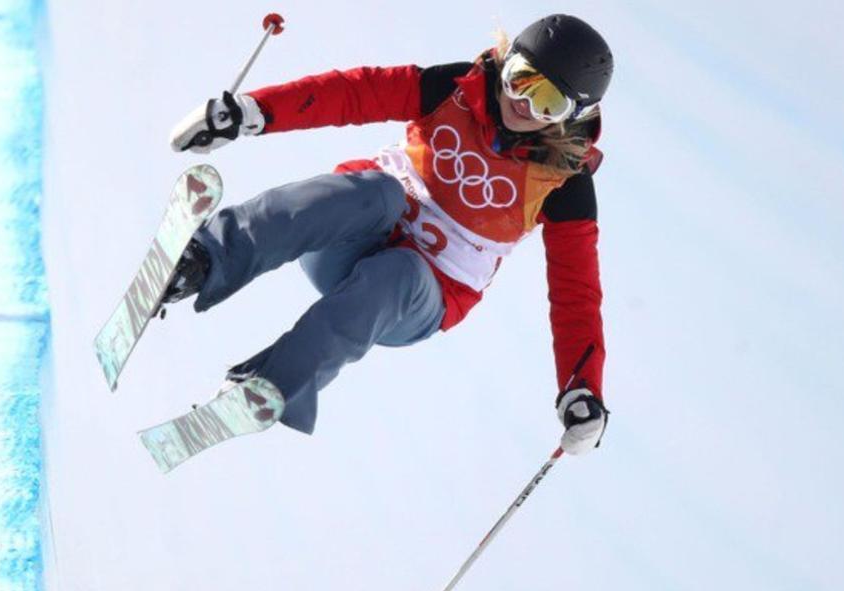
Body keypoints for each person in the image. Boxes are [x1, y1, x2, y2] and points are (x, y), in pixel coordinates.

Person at [165, 14, 612, 455]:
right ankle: (204, 261)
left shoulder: (563, 182)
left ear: (573, 116)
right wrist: (253, 113)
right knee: (378, 192)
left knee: (398, 272)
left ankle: (269, 389)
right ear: (507, 58)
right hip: (348, 237)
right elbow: (355, 93)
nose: (524, 105)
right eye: (521, 79)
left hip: (421, 294)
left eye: (548, 103)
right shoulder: (456, 88)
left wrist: (583, 388)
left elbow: (576, 292)